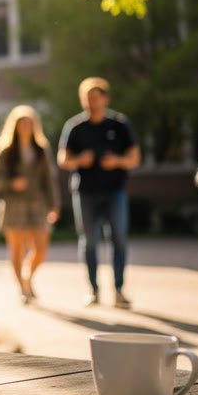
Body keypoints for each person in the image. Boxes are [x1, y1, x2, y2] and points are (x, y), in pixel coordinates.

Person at [58, 77, 141, 308]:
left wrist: (117, 161)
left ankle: (118, 290)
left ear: (105, 98)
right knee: (89, 242)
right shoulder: (75, 127)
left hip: (115, 191)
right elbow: (62, 159)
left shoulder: (120, 125)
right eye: (87, 98)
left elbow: (135, 158)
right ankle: (93, 290)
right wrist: (79, 160)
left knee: (119, 240)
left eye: (95, 97)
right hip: (85, 193)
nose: (91, 102)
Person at [0, 105, 61, 304]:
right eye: (22, 123)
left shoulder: (41, 149)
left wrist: (54, 205)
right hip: (13, 205)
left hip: (38, 204)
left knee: (41, 249)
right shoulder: (6, 149)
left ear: (34, 126)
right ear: (15, 126)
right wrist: (12, 183)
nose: (26, 127)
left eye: (29, 123)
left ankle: (27, 278)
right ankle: (23, 288)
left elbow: (49, 180)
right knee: (17, 250)